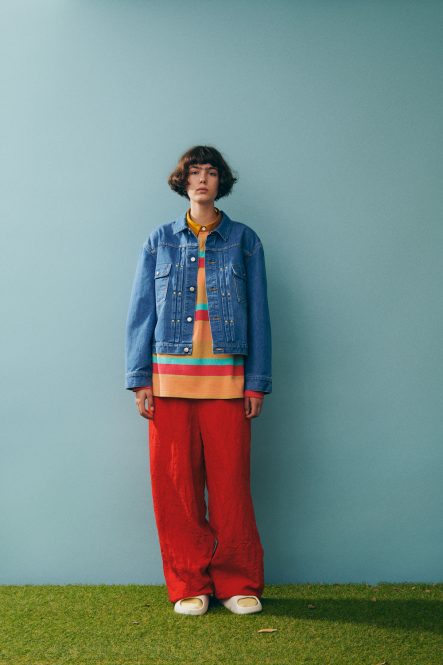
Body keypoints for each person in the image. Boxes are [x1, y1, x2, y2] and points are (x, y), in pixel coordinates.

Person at [125, 145, 272, 616]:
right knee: (176, 491)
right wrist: (139, 379)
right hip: (169, 384)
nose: (203, 179)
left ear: (220, 181)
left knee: (231, 489)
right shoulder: (160, 241)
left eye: (211, 172)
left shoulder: (245, 241)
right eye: (195, 172)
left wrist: (257, 382)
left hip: (227, 384)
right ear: (183, 181)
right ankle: (189, 582)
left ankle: (237, 582)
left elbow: (259, 313)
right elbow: (141, 312)